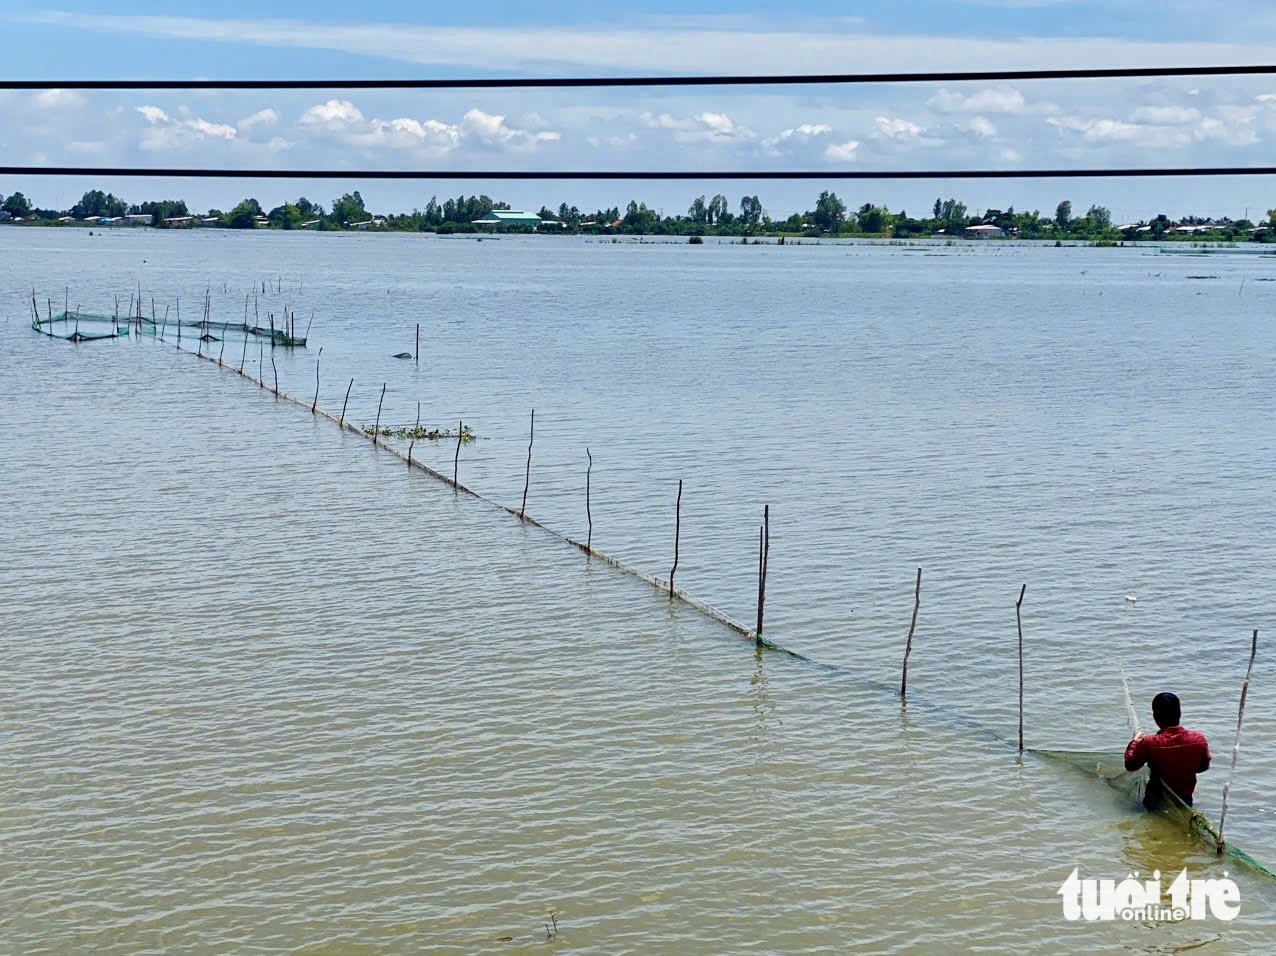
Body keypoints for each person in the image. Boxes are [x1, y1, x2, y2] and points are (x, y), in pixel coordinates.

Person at [1124, 692, 1211, 807]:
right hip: (1184, 801)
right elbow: (1204, 766)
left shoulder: (1149, 743)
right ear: (1179, 714)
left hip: (1155, 801)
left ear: (1155, 717)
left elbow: (1130, 765)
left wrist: (1134, 742)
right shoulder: (1198, 740)